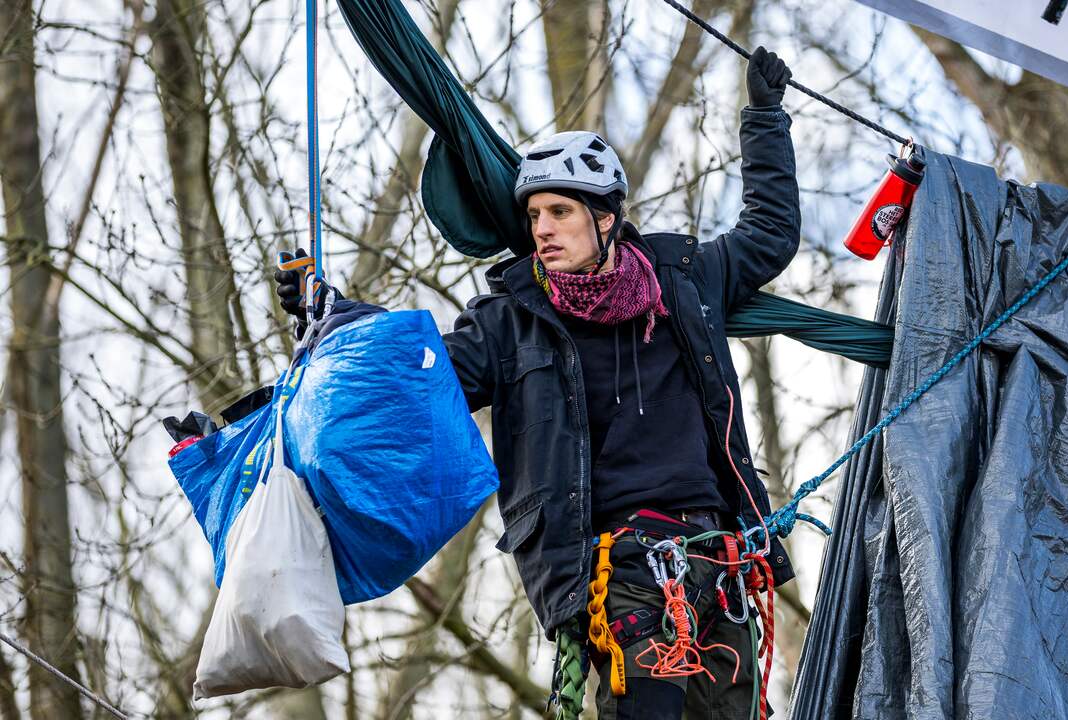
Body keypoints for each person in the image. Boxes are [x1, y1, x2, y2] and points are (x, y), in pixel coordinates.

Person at [275, 46, 798, 719]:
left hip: (720, 559)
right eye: (534, 217)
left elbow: (771, 234)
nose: (542, 230)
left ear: (606, 217)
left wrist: (764, 116)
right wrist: (334, 315)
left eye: (560, 212)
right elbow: (420, 372)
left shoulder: (685, 276)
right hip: (622, 571)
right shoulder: (511, 319)